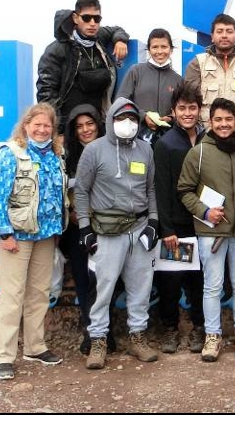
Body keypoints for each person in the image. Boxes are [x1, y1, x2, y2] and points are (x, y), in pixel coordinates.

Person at [73, 98, 160, 370]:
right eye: (121, 118)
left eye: (133, 119)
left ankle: (138, 337)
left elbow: (151, 189)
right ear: (110, 120)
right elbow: (82, 191)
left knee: (141, 286)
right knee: (104, 287)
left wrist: (154, 222)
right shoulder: (94, 150)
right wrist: (85, 227)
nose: (128, 124)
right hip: (108, 231)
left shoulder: (145, 150)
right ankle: (97, 340)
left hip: (139, 228)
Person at [0, 103, 69, 380]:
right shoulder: (11, 154)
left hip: (46, 235)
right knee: (12, 296)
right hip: (18, 236)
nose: (42, 129)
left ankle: (35, 346)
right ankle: (4, 356)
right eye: (37, 124)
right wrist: (4, 233)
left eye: (47, 125)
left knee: (39, 293)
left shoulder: (56, 156)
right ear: (26, 126)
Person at [176, 98, 235, 362]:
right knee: (212, 286)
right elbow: (184, 190)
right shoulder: (198, 153)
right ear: (210, 122)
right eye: (218, 120)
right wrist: (204, 211)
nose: (223, 124)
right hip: (211, 233)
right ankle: (213, 336)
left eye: (228, 119)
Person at [152, 84, 207, 354]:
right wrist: (167, 228)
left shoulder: (208, 140)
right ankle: (170, 330)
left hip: (203, 225)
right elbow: (160, 189)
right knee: (171, 284)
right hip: (177, 228)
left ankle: (199, 329)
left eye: (192, 108)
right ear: (173, 111)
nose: (188, 113)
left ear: (199, 109)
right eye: (182, 108)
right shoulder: (166, 145)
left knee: (199, 283)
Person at [36, 0, 130, 133]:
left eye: (97, 18)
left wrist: (120, 40)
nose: (92, 23)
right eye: (86, 18)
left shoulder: (100, 38)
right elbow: (46, 95)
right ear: (75, 17)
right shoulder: (56, 50)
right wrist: (59, 131)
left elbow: (117, 29)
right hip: (69, 128)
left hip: (99, 125)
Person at [57, 104, 104, 356]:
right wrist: (72, 213)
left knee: (104, 280)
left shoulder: (111, 150)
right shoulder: (65, 157)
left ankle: (103, 332)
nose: (86, 130)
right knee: (83, 280)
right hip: (76, 228)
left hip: (107, 227)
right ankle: (90, 331)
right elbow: (59, 191)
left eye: (90, 124)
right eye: (79, 126)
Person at [182, 14, 235, 137]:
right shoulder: (197, 63)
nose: (224, 35)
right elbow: (191, 103)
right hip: (206, 133)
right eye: (220, 31)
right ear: (212, 37)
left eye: (229, 31)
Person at [117, 28, 183, 145]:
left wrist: (171, 119)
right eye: (155, 47)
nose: (159, 51)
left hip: (167, 140)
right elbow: (121, 101)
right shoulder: (136, 71)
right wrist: (143, 116)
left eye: (164, 47)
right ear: (149, 49)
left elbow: (182, 108)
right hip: (136, 137)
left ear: (171, 50)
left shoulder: (178, 79)